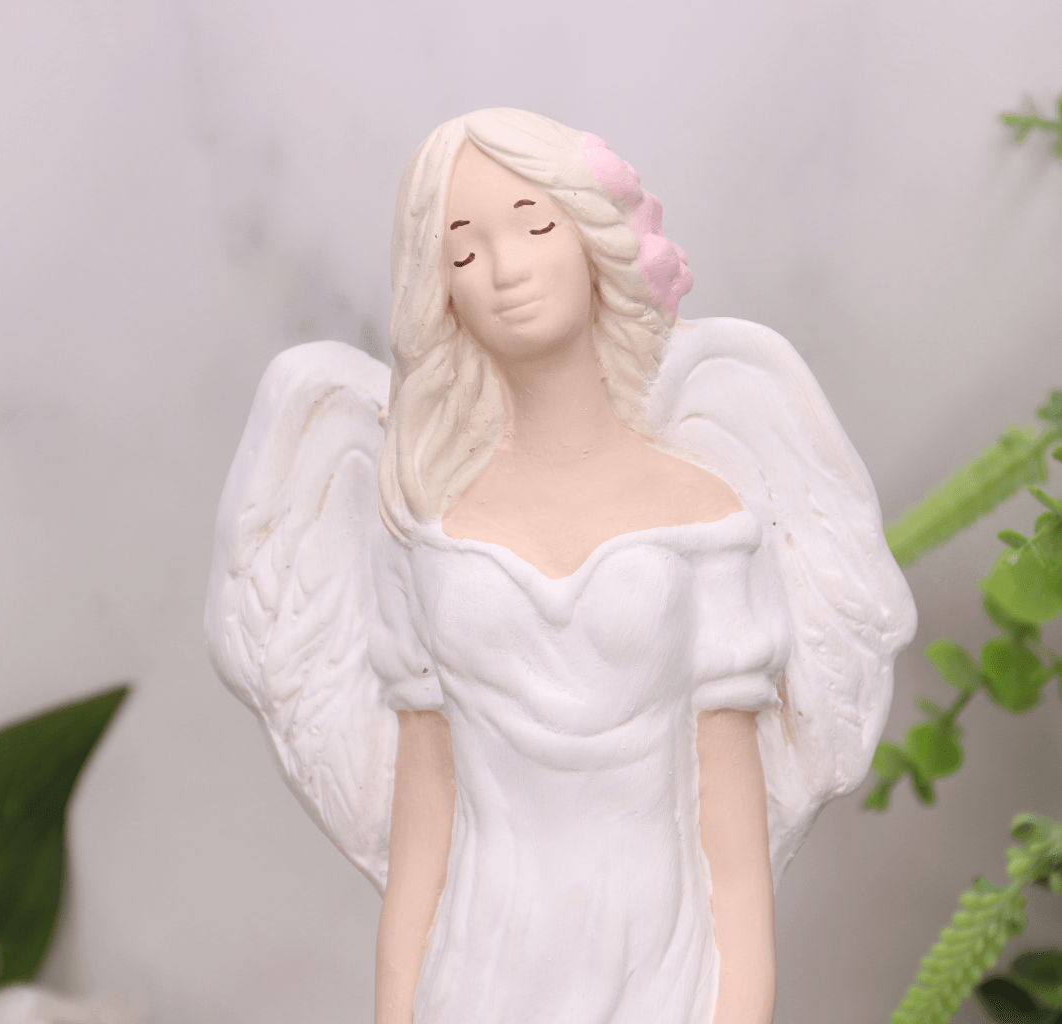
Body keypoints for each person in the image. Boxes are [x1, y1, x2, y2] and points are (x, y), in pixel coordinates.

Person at [205, 108, 916, 1024]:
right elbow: (421, 843)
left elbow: (735, 864)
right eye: (463, 251)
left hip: (660, 962)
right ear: (438, 290)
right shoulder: (421, 530)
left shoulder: (704, 515)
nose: (506, 269)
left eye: (536, 225)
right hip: (480, 965)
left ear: (593, 241)